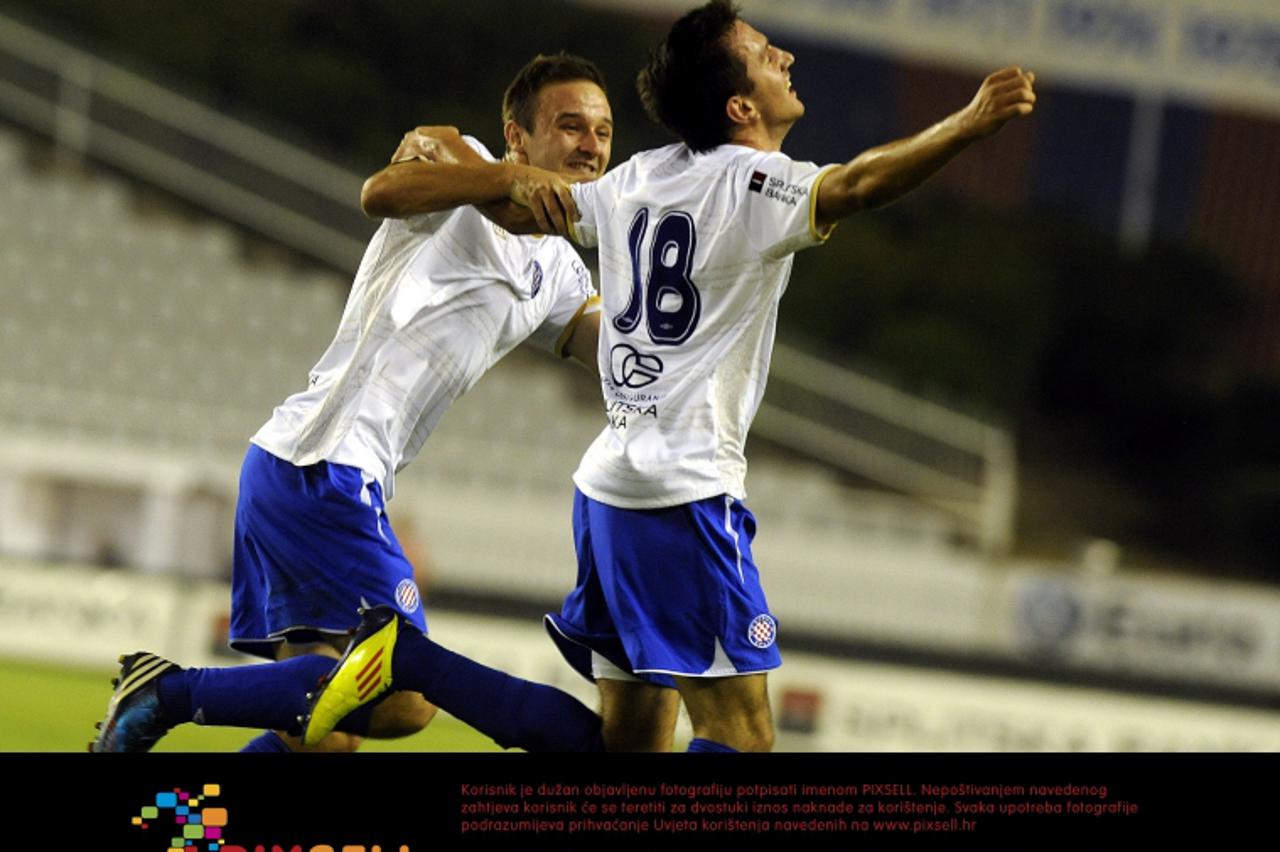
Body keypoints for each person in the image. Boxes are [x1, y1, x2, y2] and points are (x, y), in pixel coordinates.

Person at [302, 0, 1035, 752]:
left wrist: (451, 159)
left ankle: (409, 662)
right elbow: (854, 188)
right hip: (683, 495)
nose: (784, 57)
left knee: (633, 743)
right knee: (742, 738)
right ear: (740, 104)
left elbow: (516, 208)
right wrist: (969, 124)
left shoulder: (637, 178)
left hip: (612, 492)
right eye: (764, 52)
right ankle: (396, 662)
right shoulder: (753, 183)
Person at [88, 52, 681, 754]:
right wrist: (495, 174)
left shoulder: (554, 268)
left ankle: (180, 825)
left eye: (604, 132)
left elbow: (617, 355)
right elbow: (379, 193)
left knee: (322, 740)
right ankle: (166, 693)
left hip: (306, 468)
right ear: (517, 137)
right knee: (404, 697)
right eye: (570, 126)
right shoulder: (464, 177)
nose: (591, 145)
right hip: (325, 464)